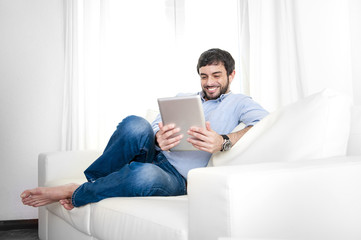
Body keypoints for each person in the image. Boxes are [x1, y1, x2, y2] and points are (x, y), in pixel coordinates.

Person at [21, 48, 268, 210]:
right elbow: (151, 126)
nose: (210, 82)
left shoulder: (240, 103)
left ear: (231, 75)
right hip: (156, 154)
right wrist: (159, 138)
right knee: (134, 122)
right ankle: (98, 182)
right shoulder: (184, 97)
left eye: (216, 75)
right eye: (204, 76)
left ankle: (77, 192)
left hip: (177, 177)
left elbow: (265, 123)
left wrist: (223, 141)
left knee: (144, 175)